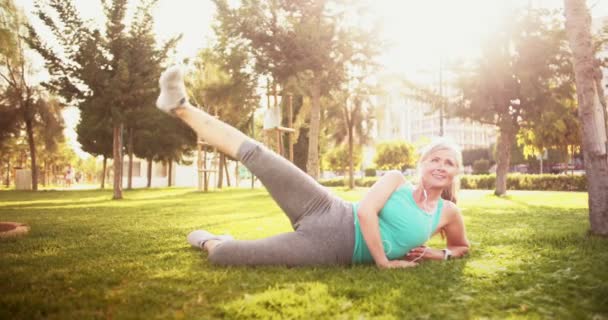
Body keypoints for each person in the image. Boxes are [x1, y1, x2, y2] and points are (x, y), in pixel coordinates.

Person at [156, 66, 470, 269]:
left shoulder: (447, 212)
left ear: (456, 172)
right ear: (422, 163)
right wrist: (384, 262)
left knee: (225, 257)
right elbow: (364, 213)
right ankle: (180, 107)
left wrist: (435, 253)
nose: (441, 166)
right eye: (435, 159)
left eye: (449, 162)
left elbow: (461, 247)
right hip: (329, 208)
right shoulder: (395, 179)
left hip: (331, 249)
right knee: (260, 155)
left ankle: (211, 239)